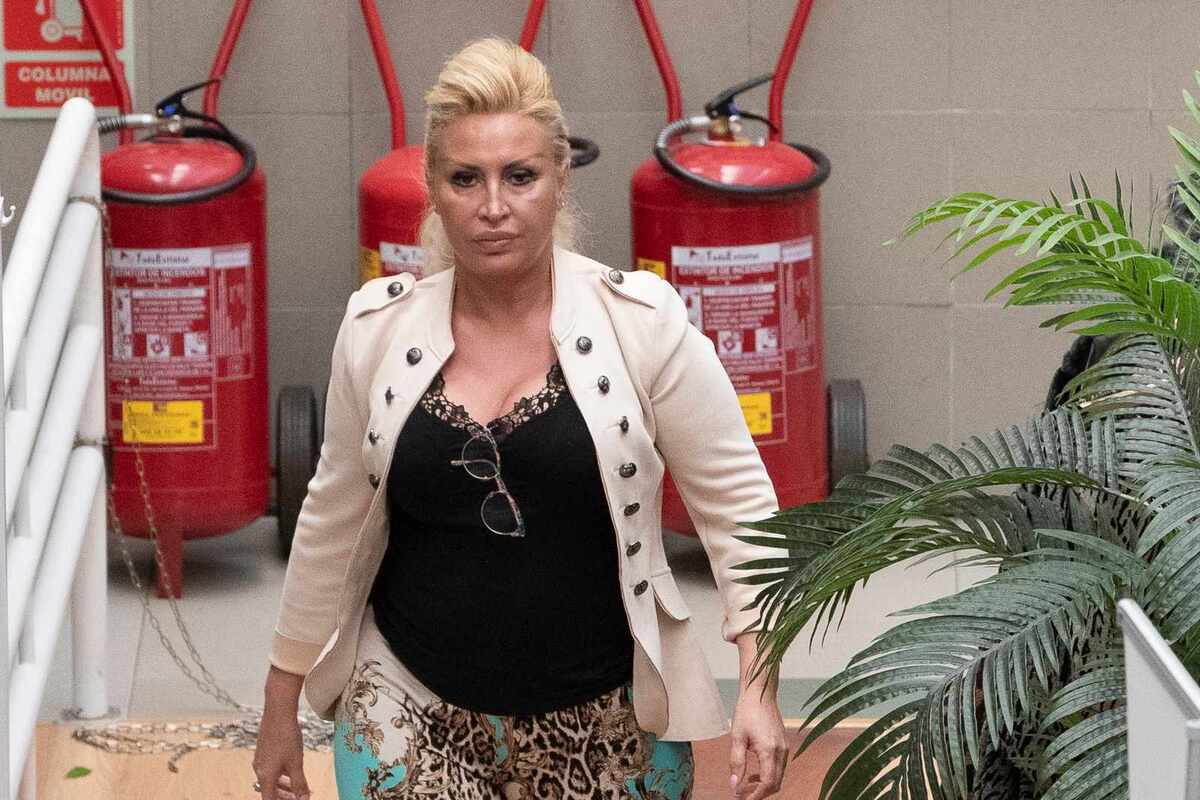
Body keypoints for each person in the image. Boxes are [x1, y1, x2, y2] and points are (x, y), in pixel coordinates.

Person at [253, 37, 790, 800]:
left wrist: (760, 688)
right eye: (465, 178)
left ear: (560, 180)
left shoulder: (641, 325)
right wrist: (280, 698)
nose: (493, 207)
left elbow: (742, 515)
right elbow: (330, 519)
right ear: (433, 188)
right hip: (406, 710)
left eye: (520, 176)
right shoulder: (376, 331)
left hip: (608, 724)